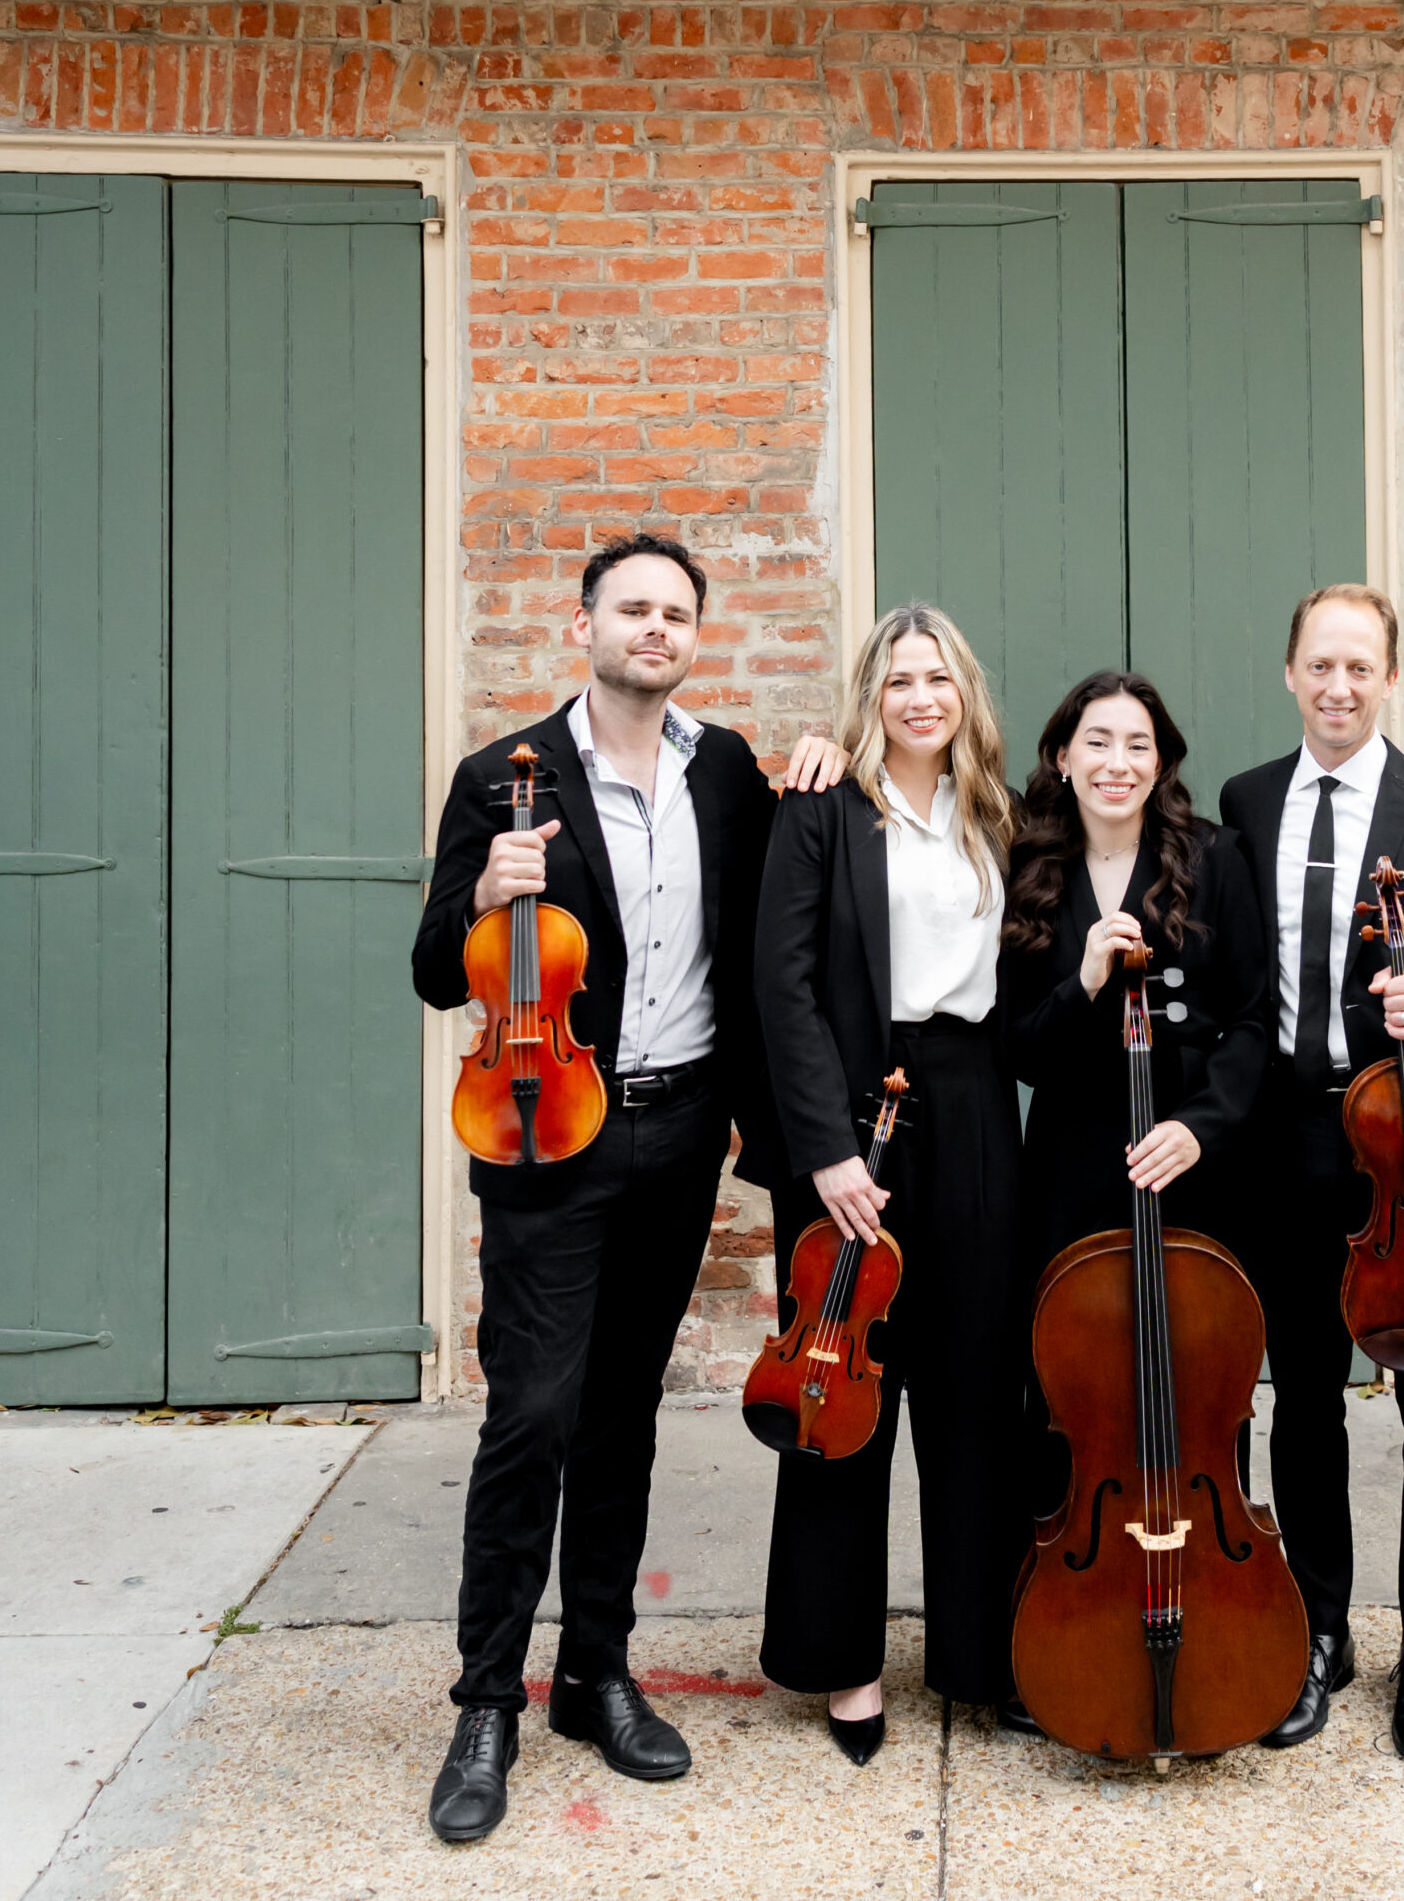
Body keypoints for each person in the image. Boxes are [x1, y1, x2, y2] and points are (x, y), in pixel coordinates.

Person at [411, 530, 842, 1842]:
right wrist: (481, 891)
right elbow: (434, 967)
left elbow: (787, 902)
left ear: (694, 636)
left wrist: (830, 765)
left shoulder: (728, 774)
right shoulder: (503, 778)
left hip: (681, 1127)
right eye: (633, 608)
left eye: (675, 613)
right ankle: (487, 1700)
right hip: (547, 1123)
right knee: (531, 1414)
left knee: (622, 1414)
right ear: (584, 625)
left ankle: (596, 1670)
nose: (655, 628)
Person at [1221, 585, 1404, 1765]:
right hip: (1285, 1142)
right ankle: (1319, 1630)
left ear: (1388, 676)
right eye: (1319, 665)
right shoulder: (1247, 802)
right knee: (1301, 1398)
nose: (1337, 686)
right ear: (1288, 673)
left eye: (1358, 666)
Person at [753, 604, 1027, 1763]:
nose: (920, 698)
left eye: (937, 678)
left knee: (976, 1388)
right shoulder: (822, 804)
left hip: (971, 1106)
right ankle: (844, 1662)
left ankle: (980, 1653)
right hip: (853, 1111)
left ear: (964, 692)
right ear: (869, 695)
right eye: (898, 680)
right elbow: (781, 983)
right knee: (842, 1386)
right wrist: (824, 1150)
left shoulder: (997, 810)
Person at [999, 669, 1269, 1462]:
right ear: (1062, 758)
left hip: (1192, 1158)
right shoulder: (1025, 868)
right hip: (1074, 1158)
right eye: (1098, 742)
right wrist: (1082, 982)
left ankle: (1204, 1532)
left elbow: (1253, 1019)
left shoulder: (1216, 857)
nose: (1117, 763)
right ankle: (1070, 1537)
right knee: (1070, 1377)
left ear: (1160, 763)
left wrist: (1201, 1128)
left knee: (1201, 1374)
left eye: (1138, 746)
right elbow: (1020, 1049)